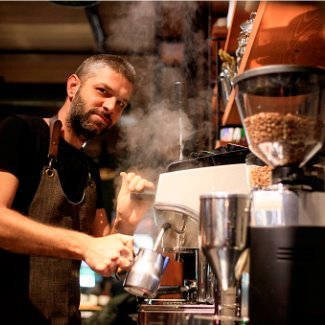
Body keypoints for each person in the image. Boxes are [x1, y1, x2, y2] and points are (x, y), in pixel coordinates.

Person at [0, 54, 155, 324]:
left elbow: (106, 261)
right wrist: (83, 245)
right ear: (73, 87)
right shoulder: (21, 132)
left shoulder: (89, 170)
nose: (110, 107)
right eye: (102, 91)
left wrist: (126, 222)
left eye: (120, 103)